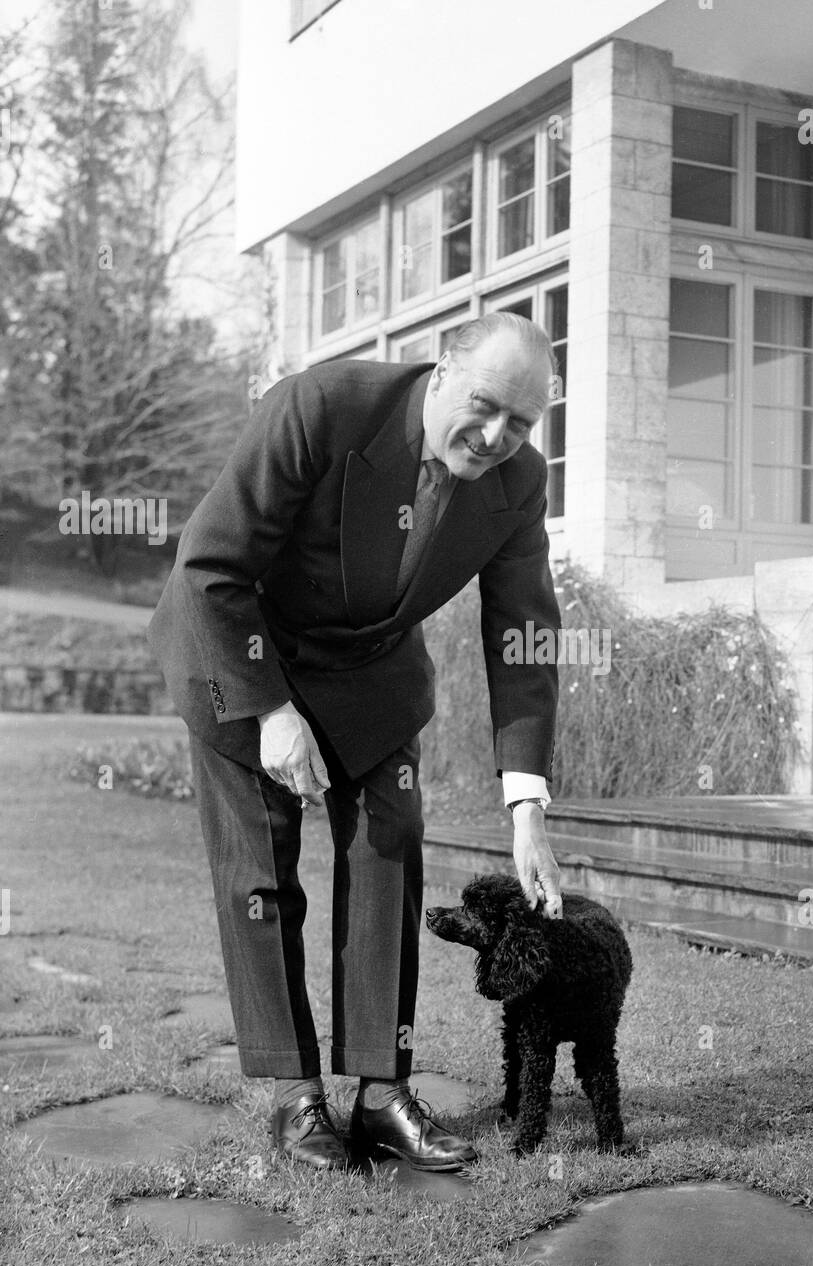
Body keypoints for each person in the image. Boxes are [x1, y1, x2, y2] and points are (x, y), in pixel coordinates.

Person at [148, 312, 564, 1173]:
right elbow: (210, 566)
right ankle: (295, 1097)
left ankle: (381, 1094)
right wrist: (271, 712)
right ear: (441, 372)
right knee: (260, 876)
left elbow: (522, 630)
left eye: (521, 422)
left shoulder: (520, 483)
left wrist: (526, 806)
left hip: (371, 673)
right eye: (485, 406)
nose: (496, 436)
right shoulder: (319, 407)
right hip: (239, 652)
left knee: (389, 849)